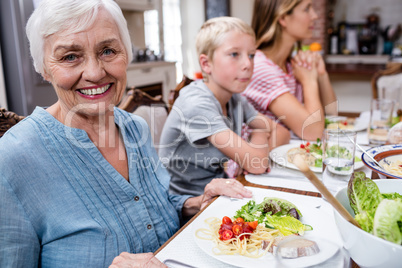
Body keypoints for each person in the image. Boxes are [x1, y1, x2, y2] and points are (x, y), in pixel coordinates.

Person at [0, 1, 252, 267]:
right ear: (44, 69)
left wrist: (199, 202)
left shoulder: (135, 127)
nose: (95, 72)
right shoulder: (13, 159)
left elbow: (158, 205)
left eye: (108, 50)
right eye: (70, 57)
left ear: (126, 55)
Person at [159, 17, 290, 197]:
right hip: (188, 204)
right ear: (206, 64)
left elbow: (283, 133)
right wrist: (260, 136)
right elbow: (257, 164)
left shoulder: (235, 98)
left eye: (251, 55)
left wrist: (258, 140)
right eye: (235, 54)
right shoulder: (196, 103)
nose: (248, 64)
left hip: (223, 190)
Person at [243, 0, 337, 141]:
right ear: (282, 18)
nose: (315, 16)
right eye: (307, 9)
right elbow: (312, 132)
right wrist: (309, 81)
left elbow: (332, 114)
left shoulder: (290, 65)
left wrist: (321, 74)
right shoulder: (260, 68)